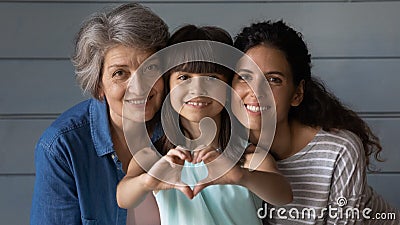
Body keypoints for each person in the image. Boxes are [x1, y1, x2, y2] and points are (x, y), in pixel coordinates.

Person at [116, 25, 293, 225]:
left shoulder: (249, 157)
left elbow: (283, 195)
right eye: (184, 78)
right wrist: (148, 181)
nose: (198, 89)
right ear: (168, 86)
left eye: (211, 78)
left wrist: (240, 177)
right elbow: (123, 197)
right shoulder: (153, 157)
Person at [233, 20, 400, 224]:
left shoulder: (339, 150)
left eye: (274, 79)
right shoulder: (223, 148)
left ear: (297, 94)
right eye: (245, 77)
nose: (256, 92)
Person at [30, 3, 169, 225]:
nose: (139, 86)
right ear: (98, 87)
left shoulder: (186, 125)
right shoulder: (61, 146)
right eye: (120, 73)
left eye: (150, 69)